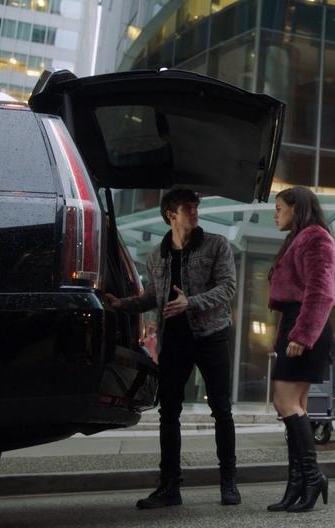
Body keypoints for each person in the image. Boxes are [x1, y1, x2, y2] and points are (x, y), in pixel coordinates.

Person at [104, 189, 240, 509]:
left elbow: (228, 287)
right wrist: (121, 304)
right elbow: (153, 296)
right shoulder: (157, 255)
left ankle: (229, 481)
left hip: (211, 336)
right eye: (188, 208)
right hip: (174, 341)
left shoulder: (216, 245)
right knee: (169, 414)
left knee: (221, 409)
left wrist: (190, 302)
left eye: (196, 207)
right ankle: (169, 486)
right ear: (171, 215)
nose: (195, 212)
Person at [266, 186, 335, 513]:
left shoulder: (316, 237)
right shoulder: (301, 238)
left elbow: (321, 291)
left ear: (297, 208)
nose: (276, 213)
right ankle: (296, 483)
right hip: (298, 324)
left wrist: (302, 334)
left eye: (280, 207)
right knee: (295, 405)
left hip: (305, 325)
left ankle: (311, 477)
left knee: (284, 401)